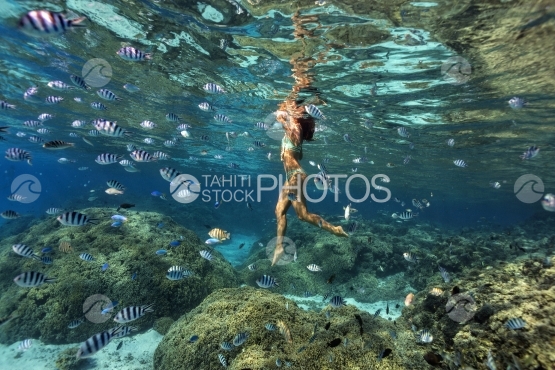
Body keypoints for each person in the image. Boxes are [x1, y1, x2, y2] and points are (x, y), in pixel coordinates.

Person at [271, 98, 348, 266]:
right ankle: (279, 247)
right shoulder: (295, 128)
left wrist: (283, 117)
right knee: (279, 211)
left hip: (295, 176)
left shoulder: (296, 129)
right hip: (291, 177)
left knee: (302, 215)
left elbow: (289, 128)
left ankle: (335, 230)